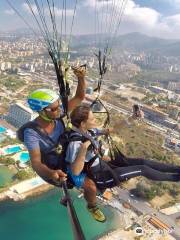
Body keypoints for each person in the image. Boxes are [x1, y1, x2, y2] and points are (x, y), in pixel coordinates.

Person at [65, 104, 180, 220]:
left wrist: (132, 118)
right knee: (142, 169)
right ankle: (176, 178)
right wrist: (84, 148)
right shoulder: (75, 144)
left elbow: (111, 130)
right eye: (92, 118)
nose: (95, 119)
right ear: (83, 124)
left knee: (142, 161)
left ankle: (177, 170)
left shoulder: (88, 132)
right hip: (102, 177)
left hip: (104, 167)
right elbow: (75, 171)